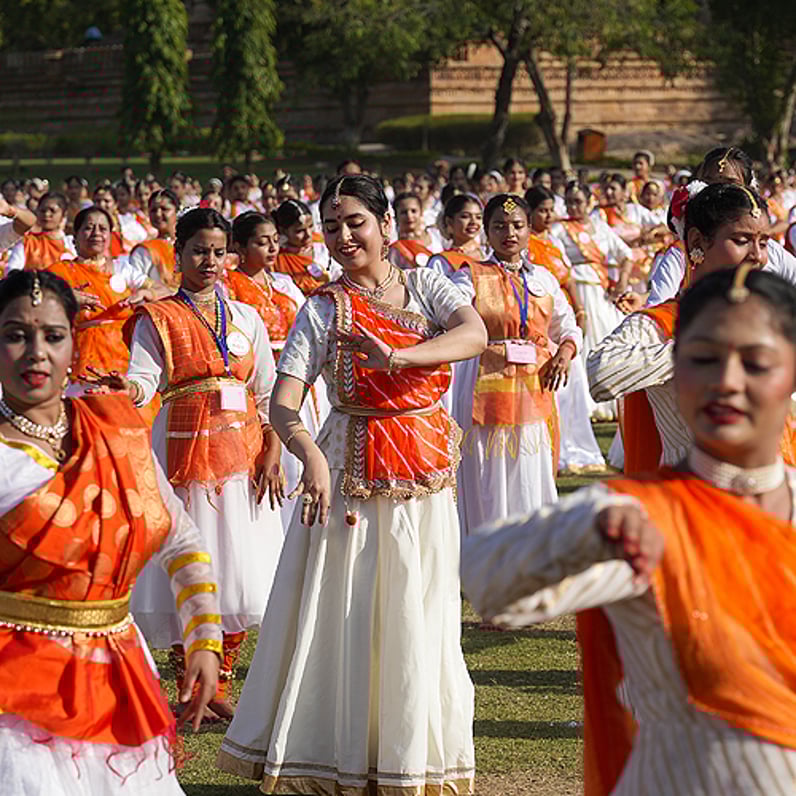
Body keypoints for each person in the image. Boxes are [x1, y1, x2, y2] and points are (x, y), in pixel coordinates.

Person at [463, 266, 796, 796]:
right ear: (675, 371)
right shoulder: (642, 516)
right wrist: (587, 531)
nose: (727, 381)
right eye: (703, 359)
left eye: (756, 361)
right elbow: (487, 580)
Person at [217, 174, 486, 793]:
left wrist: (398, 358)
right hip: (348, 474)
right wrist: (308, 453)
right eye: (332, 226)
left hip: (423, 471)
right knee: (350, 608)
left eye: (355, 222)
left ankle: (409, 756)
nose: (343, 237)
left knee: (421, 608)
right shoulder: (323, 308)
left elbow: (474, 335)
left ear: (386, 226)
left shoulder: (425, 284)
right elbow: (283, 402)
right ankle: (338, 754)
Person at [0, 270, 222, 794]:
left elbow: (181, 539)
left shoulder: (114, 431)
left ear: (74, 345)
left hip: (117, 672)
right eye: (15, 335)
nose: (36, 353)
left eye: (53, 335)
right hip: (15, 690)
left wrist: (204, 637)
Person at [88, 208, 283, 722]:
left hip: (242, 455)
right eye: (199, 251)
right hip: (182, 453)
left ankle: (222, 678)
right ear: (178, 254)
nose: (209, 261)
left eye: (218, 252)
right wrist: (126, 388)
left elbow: (265, 391)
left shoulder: (246, 317)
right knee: (191, 560)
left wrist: (273, 446)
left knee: (239, 567)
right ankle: (189, 681)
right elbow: (143, 379)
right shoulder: (159, 318)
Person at [589, 182, 772, 474]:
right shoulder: (664, 323)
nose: (758, 256)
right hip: (692, 491)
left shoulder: (769, 316)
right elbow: (601, 374)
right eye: (741, 240)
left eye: (764, 243)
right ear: (697, 242)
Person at [451, 194, 582, 532]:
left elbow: (567, 326)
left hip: (534, 386)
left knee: (530, 465)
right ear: (487, 231)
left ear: (528, 230)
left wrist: (564, 353)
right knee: (488, 470)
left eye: (517, 225)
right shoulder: (470, 276)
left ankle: (531, 540)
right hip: (484, 383)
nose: (509, 233)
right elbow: (448, 312)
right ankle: (487, 543)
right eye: (499, 226)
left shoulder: (543, 279)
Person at [225, 210, 329, 528]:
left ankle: (305, 528)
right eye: (261, 242)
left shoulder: (284, 284)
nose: (272, 248)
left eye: (274, 240)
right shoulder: (228, 286)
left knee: (304, 452)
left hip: (297, 376)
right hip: (259, 378)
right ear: (240, 247)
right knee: (274, 458)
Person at [647, 146, 796, 306]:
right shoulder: (681, 253)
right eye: (710, 184)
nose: (718, 192)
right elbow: (658, 309)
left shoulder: (769, 252)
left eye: (730, 184)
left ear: (748, 189)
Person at [525, 186, 607, 475]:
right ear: (530, 213)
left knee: (574, 387)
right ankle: (557, 450)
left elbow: (568, 278)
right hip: (543, 323)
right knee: (556, 389)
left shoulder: (554, 242)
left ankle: (577, 448)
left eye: (551, 210)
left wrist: (580, 310)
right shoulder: (526, 246)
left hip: (565, 320)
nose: (548, 216)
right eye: (542, 211)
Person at [46, 207, 156, 391]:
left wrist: (148, 293)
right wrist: (65, 297)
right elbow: (34, 299)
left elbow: (162, 291)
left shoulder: (123, 269)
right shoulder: (60, 272)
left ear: (110, 236)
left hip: (126, 355)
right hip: (82, 357)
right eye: (89, 227)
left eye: (103, 228)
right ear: (75, 237)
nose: (96, 233)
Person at [273, 199, 339, 295]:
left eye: (311, 226)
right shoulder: (277, 260)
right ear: (283, 230)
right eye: (300, 231)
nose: (308, 234)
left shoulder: (324, 243)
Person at [129, 188, 179, 289]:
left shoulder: (190, 246)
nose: (158, 214)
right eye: (153, 210)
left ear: (177, 211)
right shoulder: (143, 251)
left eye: (164, 209)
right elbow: (134, 286)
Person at [427, 193, 486, 280]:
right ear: (450, 222)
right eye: (465, 216)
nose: (473, 222)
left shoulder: (488, 254)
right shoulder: (441, 262)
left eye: (478, 217)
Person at [388, 191, 444, 269]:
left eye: (413, 211)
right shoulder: (395, 249)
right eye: (403, 212)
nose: (409, 216)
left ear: (421, 212)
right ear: (396, 216)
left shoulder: (436, 235)